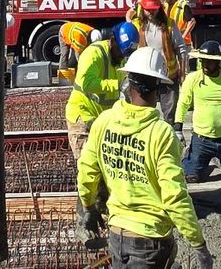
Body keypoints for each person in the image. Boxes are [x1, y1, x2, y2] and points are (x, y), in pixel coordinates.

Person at [77, 46, 213, 269]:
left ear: (127, 83)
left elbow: (86, 171)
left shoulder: (104, 121)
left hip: (116, 235)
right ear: (157, 90)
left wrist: (89, 207)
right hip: (150, 242)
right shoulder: (161, 134)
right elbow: (175, 197)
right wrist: (199, 245)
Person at [174, 41, 221, 182]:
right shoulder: (193, 79)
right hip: (202, 139)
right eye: (203, 61)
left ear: (218, 62)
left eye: (209, 61)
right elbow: (183, 103)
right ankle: (190, 158)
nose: (205, 64)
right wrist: (178, 129)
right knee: (191, 177)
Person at [68, 22, 139, 156]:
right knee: (87, 163)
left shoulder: (120, 58)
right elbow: (86, 83)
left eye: (125, 54)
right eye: (121, 52)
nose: (122, 57)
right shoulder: (93, 53)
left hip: (103, 120)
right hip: (84, 116)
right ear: (113, 40)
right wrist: (117, 85)